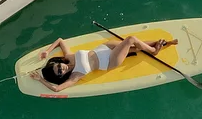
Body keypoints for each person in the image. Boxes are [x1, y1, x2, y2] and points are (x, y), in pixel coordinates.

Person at [29, 34, 178, 93]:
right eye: (60, 72)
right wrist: (40, 79)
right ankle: (154, 50)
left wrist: (47, 51)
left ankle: (163, 44)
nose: (62, 68)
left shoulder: (69, 57)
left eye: (58, 66)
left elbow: (60, 40)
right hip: (110, 61)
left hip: (105, 48)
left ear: (58, 63)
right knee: (130, 40)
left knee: (135, 47)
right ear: (62, 76)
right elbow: (56, 89)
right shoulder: (75, 76)